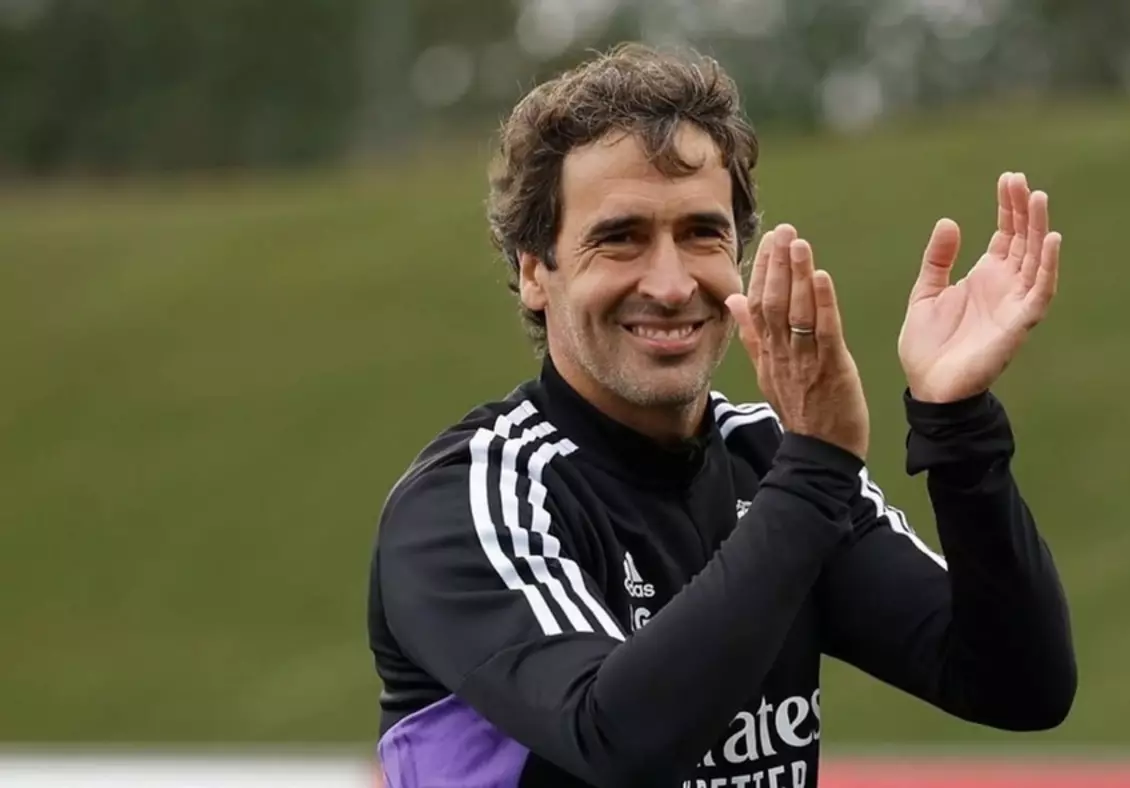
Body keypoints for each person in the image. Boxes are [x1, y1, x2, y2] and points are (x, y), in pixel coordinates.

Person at [367, 43, 1075, 788]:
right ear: (535, 272)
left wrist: (957, 426)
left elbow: (1018, 684)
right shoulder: (469, 499)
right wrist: (814, 473)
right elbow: (612, 740)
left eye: (702, 233)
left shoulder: (768, 458)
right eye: (620, 238)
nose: (672, 285)